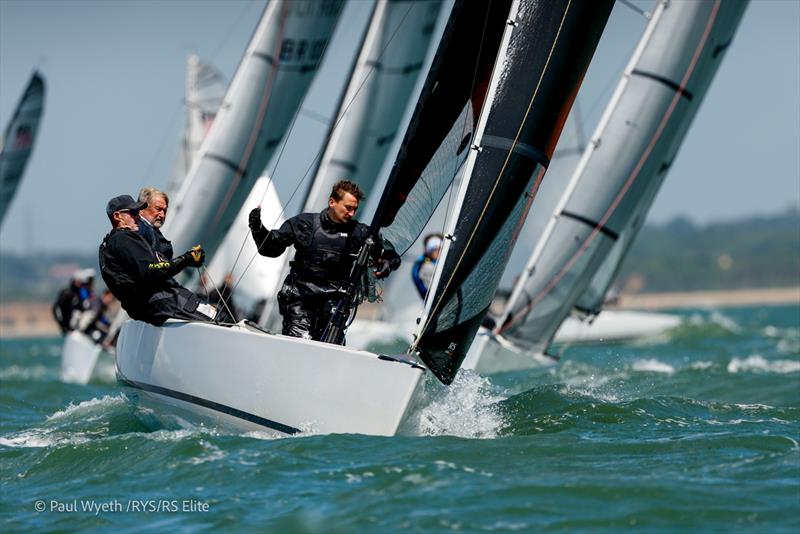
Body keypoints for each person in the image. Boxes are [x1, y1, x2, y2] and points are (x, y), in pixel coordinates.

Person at [248, 180, 401, 343]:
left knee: (331, 346)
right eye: (348, 208)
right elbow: (270, 248)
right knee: (300, 344)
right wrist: (257, 228)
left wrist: (388, 263)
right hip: (301, 300)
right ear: (332, 202)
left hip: (335, 304)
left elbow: (392, 255)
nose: (352, 214)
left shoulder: (359, 232)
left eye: (355, 209)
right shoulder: (304, 224)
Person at [98, 194, 210, 326]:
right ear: (117, 216)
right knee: (221, 318)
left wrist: (186, 260)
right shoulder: (123, 239)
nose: (138, 216)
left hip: (148, 306)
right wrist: (186, 259)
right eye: (133, 212)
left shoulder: (111, 243)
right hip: (162, 300)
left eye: (138, 212)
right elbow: (152, 270)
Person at [137, 187, 173, 261]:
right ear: (142, 208)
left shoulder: (152, 230)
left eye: (165, 211)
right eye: (158, 209)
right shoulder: (139, 228)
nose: (162, 215)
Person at [411, 233, 443, 299]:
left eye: (440, 247)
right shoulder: (426, 267)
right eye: (433, 248)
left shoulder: (435, 262)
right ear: (427, 250)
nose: (438, 250)